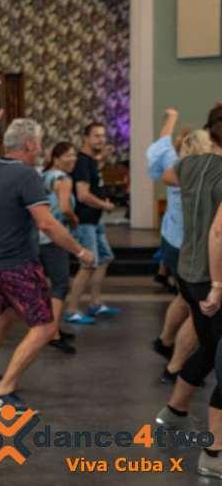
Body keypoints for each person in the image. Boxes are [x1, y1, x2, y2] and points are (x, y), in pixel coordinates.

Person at [0, 118, 94, 414]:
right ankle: (3, 393)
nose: (41, 148)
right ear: (29, 144)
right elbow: (47, 224)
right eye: (38, 143)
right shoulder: (26, 175)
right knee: (45, 326)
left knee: (6, 314)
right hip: (17, 264)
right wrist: (80, 251)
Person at [155, 104, 222, 479]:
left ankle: (174, 412)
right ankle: (214, 453)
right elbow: (219, 233)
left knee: (210, 347)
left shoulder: (189, 165)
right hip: (213, 277)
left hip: (188, 271)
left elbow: (167, 175)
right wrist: (218, 285)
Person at [148, 109, 204, 384]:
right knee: (201, 309)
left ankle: (165, 341)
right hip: (188, 248)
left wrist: (170, 119)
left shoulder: (174, 164)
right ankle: (175, 367)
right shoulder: (197, 174)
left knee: (184, 297)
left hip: (172, 242)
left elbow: (160, 145)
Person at [63, 123, 118, 323]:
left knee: (104, 258)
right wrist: (105, 205)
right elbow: (83, 195)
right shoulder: (83, 162)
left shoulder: (91, 161)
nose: (101, 139)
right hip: (84, 222)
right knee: (88, 265)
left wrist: (102, 156)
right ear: (86, 138)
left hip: (95, 221)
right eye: (96, 136)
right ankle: (71, 310)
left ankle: (95, 303)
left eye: (103, 136)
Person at [38, 141, 80, 354]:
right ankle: (52, 333)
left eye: (74, 155)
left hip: (39, 237)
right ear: (56, 158)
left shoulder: (44, 175)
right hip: (55, 238)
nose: (73, 159)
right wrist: (74, 219)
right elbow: (64, 207)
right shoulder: (63, 179)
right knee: (61, 284)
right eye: (68, 155)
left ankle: (52, 328)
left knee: (51, 285)